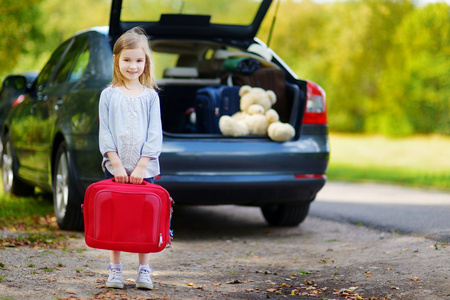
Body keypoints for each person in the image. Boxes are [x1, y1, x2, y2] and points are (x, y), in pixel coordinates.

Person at [98, 27, 162, 290]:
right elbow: (105, 131)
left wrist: (142, 166)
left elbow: (154, 134)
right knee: (115, 218)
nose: (133, 65)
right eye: (127, 59)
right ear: (116, 60)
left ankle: (144, 269)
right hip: (116, 169)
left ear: (145, 62)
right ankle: (115, 269)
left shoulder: (150, 97)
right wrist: (114, 162)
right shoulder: (108, 95)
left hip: (144, 170)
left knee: (142, 219)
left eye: (138, 60)